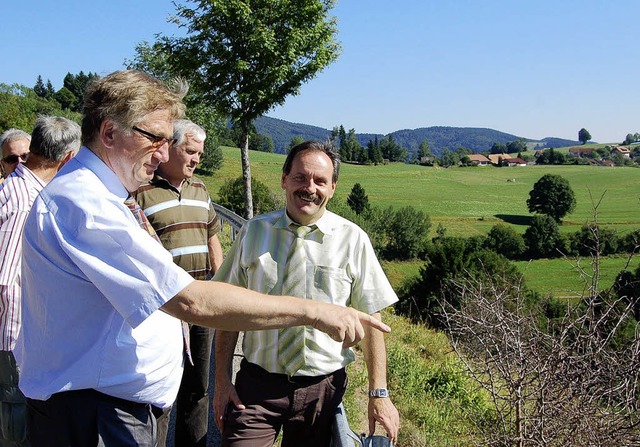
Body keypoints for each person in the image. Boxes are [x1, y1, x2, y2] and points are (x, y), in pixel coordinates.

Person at [15, 70, 388, 447]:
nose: (164, 153)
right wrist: (317, 311)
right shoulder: (87, 204)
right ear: (110, 133)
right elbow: (191, 299)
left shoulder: (105, 196)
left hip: (102, 407)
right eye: (155, 138)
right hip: (90, 414)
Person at [213, 140, 400, 447]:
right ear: (284, 179)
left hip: (322, 392)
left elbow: (371, 319)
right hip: (256, 389)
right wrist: (221, 381)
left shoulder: (353, 240)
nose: (309, 188)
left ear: (333, 187)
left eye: (320, 181)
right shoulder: (253, 232)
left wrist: (379, 393)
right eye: (300, 177)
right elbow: (227, 309)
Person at [134, 119, 223, 446]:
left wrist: (222, 285)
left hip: (201, 309)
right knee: (162, 389)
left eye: (200, 153)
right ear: (169, 147)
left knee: (198, 389)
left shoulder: (200, 190)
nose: (197, 159)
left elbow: (213, 238)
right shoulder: (141, 192)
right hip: (165, 310)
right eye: (190, 151)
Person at [0, 115, 80, 446]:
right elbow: (5, 281)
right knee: (17, 427)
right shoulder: (23, 202)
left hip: (20, 338)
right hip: (16, 337)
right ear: (68, 158)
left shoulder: (18, 190)